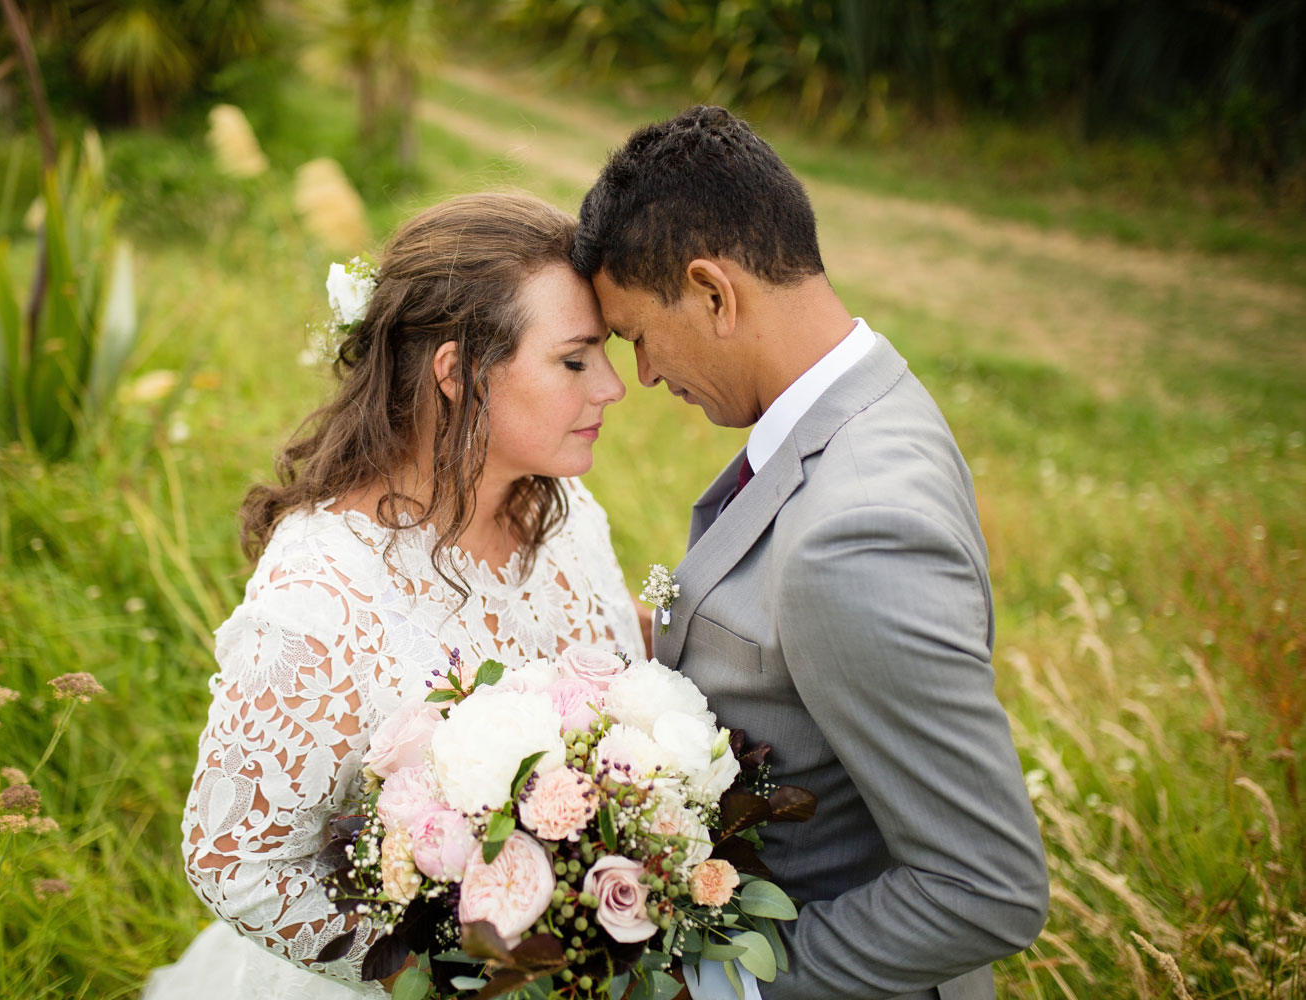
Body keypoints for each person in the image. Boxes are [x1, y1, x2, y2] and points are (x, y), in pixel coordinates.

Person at [572, 106, 1049, 1000]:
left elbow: (986, 891)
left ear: (714, 293)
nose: (641, 376)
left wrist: (717, 981)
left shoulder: (856, 536)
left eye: (637, 335)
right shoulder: (865, 400)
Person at [144, 192, 643, 1000]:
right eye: (575, 359)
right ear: (457, 373)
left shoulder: (566, 514)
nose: (612, 388)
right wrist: (448, 976)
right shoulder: (319, 596)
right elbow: (232, 865)